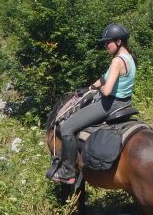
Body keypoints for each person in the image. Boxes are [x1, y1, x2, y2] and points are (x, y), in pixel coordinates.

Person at [47, 23, 136, 184]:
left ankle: (67, 172)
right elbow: (104, 78)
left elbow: (107, 90)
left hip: (109, 103)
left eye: (107, 42)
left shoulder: (117, 61)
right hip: (124, 102)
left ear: (118, 42)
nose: (105, 46)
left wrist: (97, 92)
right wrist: (89, 88)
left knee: (67, 128)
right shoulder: (129, 57)